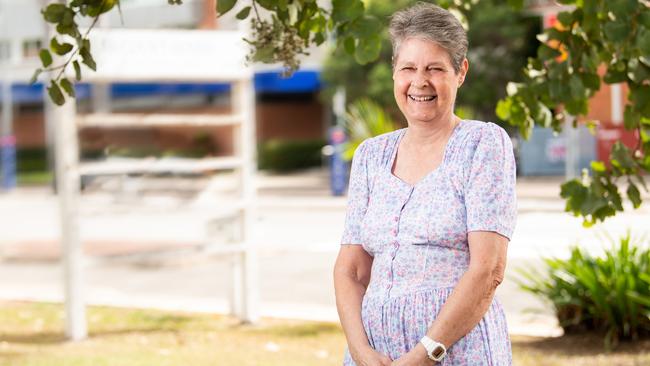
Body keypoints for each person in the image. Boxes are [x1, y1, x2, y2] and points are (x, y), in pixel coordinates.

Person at [333, 3, 517, 365]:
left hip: (458, 352)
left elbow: (489, 269)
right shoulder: (371, 155)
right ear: (394, 74)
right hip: (375, 356)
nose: (420, 82)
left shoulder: (482, 144)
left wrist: (424, 354)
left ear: (460, 72)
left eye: (435, 68)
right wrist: (360, 352)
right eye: (408, 68)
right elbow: (350, 270)